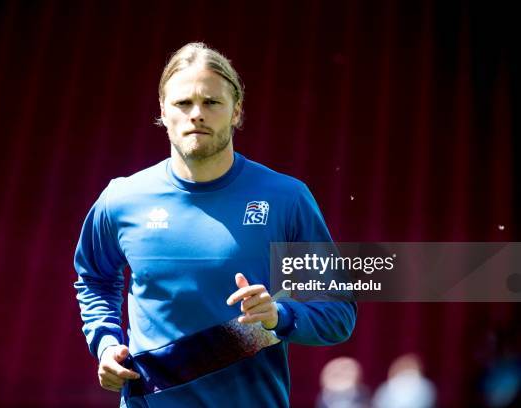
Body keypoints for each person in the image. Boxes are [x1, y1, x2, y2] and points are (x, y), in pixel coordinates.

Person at [74, 42, 357, 407]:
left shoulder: (287, 198)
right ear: (162, 109)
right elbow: (94, 279)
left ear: (236, 110)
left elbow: (338, 313)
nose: (197, 114)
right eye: (183, 103)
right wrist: (106, 343)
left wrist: (279, 315)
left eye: (211, 102)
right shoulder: (122, 198)